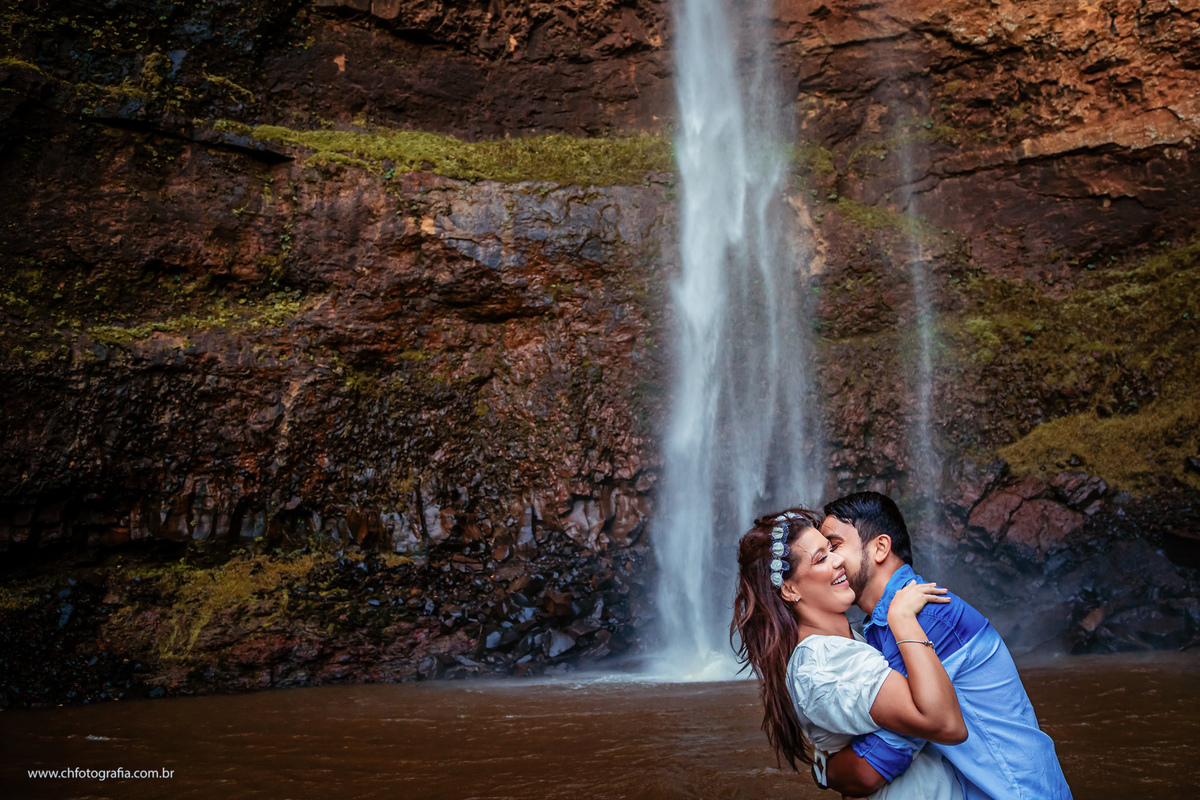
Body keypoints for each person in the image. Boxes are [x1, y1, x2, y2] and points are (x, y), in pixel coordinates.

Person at [819, 492, 1072, 799]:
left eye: (834, 546)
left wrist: (823, 770)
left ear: (880, 548)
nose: (829, 561)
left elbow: (873, 767)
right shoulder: (881, 626)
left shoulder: (928, 618)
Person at [731, 507, 967, 799]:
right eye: (821, 558)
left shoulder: (845, 644)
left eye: (831, 549)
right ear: (790, 590)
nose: (838, 560)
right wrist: (903, 619)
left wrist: (836, 770)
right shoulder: (824, 661)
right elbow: (945, 723)